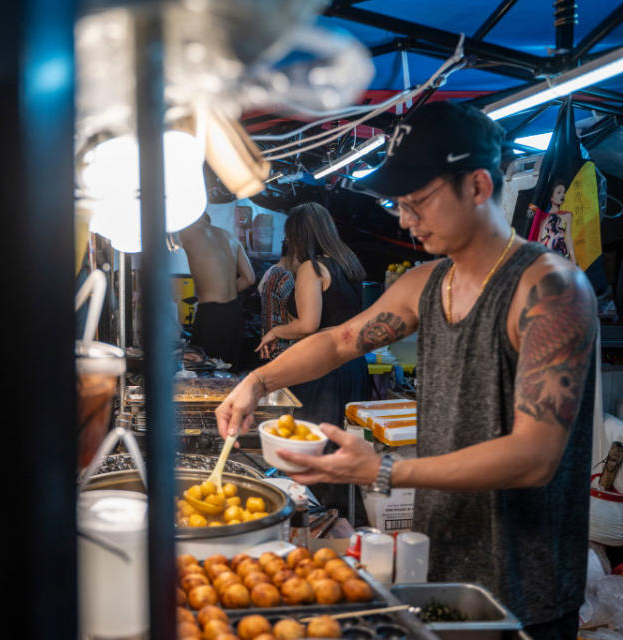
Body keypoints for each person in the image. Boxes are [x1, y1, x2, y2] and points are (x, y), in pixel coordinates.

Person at [215, 101, 596, 638]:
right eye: (399, 203)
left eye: (417, 200)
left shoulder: (549, 290)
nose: (404, 218)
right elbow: (338, 341)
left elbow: (533, 456)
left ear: (479, 187)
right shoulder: (426, 283)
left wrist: (382, 471)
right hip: (440, 558)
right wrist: (255, 382)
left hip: (525, 581)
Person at [257, 202, 368, 427]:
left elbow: (308, 324)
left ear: (297, 235)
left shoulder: (312, 268)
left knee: (317, 442)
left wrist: (276, 331)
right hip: (354, 363)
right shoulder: (348, 263)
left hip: (326, 365)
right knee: (344, 440)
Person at [178, 212, 255, 367]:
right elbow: (249, 278)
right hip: (234, 314)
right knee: (226, 374)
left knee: (201, 370)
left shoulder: (187, 231)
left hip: (211, 315)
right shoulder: (230, 236)